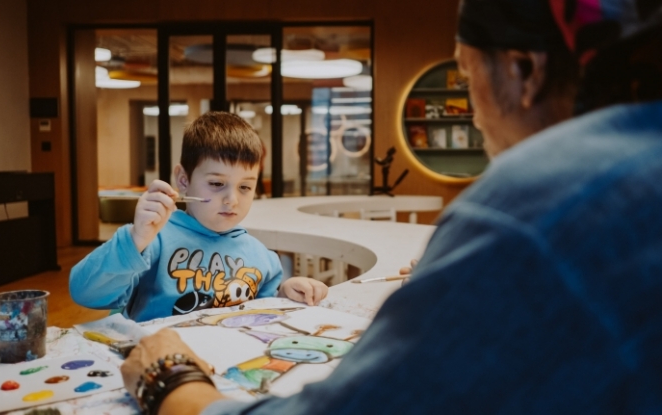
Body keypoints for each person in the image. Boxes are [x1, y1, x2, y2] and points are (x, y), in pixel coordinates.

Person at [121, 1, 662, 413]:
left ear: (524, 70)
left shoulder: (530, 207)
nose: (473, 114)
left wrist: (171, 381)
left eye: (468, 76)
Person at [70, 112, 328, 322]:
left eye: (245, 187)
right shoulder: (153, 240)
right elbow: (85, 293)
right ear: (183, 180)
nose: (232, 200)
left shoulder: (263, 257)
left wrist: (286, 291)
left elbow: (264, 310)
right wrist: (135, 239)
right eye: (216, 184)